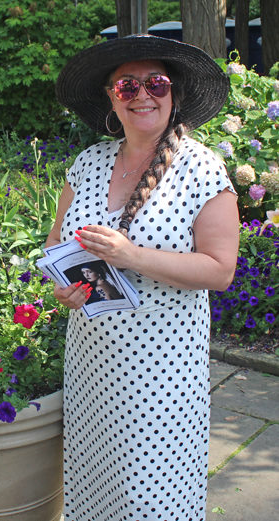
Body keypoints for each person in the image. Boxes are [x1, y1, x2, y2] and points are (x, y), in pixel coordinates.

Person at [46, 35, 239, 520]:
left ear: (173, 94)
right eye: (127, 86)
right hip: (92, 361)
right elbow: (55, 246)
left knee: (152, 497)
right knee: (95, 483)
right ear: (111, 97)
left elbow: (220, 270)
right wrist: (61, 289)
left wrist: (132, 256)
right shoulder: (88, 163)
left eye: (156, 83)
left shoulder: (201, 169)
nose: (143, 95)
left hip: (161, 369)